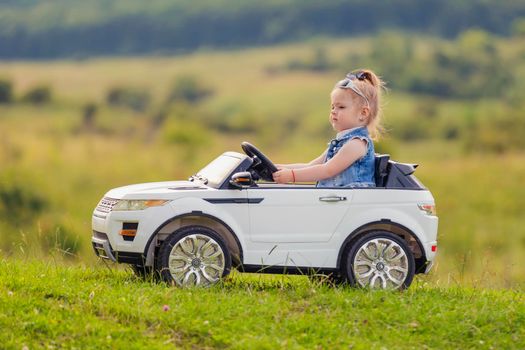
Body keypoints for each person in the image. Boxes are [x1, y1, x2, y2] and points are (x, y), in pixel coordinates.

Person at [272, 69, 384, 187]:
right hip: (335, 200)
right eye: (333, 107)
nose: (334, 111)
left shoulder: (357, 144)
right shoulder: (341, 143)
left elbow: (327, 170)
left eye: (341, 107)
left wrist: (292, 176)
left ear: (363, 113)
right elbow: (311, 166)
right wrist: (279, 168)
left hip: (352, 202)